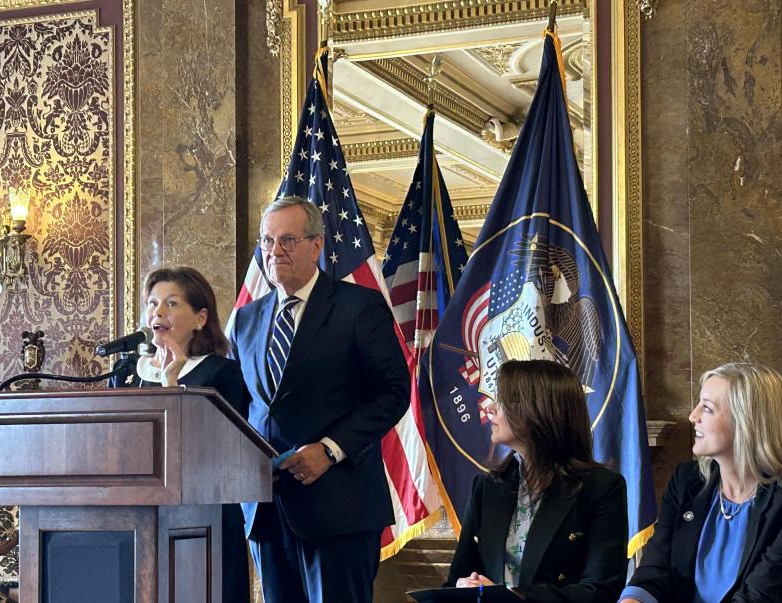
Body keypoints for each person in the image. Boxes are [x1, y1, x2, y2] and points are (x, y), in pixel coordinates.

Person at [229, 195, 409, 603]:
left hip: (338, 507)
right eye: (267, 241)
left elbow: (392, 392)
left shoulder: (357, 307)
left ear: (317, 244)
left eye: (288, 240)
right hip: (266, 508)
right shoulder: (246, 318)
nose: (275, 251)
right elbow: (239, 407)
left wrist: (330, 450)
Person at [113, 266, 249, 603]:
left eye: (171, 304)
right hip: (138, 519)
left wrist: (171, 384)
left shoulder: (222, 374)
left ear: (200, 318)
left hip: (204, 522)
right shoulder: (127, 373)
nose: (158, 312)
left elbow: (222, 455)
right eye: (153, 303)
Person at [445, 359, 628, 603]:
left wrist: (509, 598)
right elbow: (458, 577)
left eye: (502, 400)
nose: (489, 407)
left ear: (537, 409)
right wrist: (462, 586)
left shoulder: (602, 488)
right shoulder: (486, 487)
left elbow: (601, 591)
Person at [620, 362, 782, 603]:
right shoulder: (687, 481)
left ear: (746, 421)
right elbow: (655, 570)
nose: (692, 416)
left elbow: (757, 596)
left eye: (707, 408)